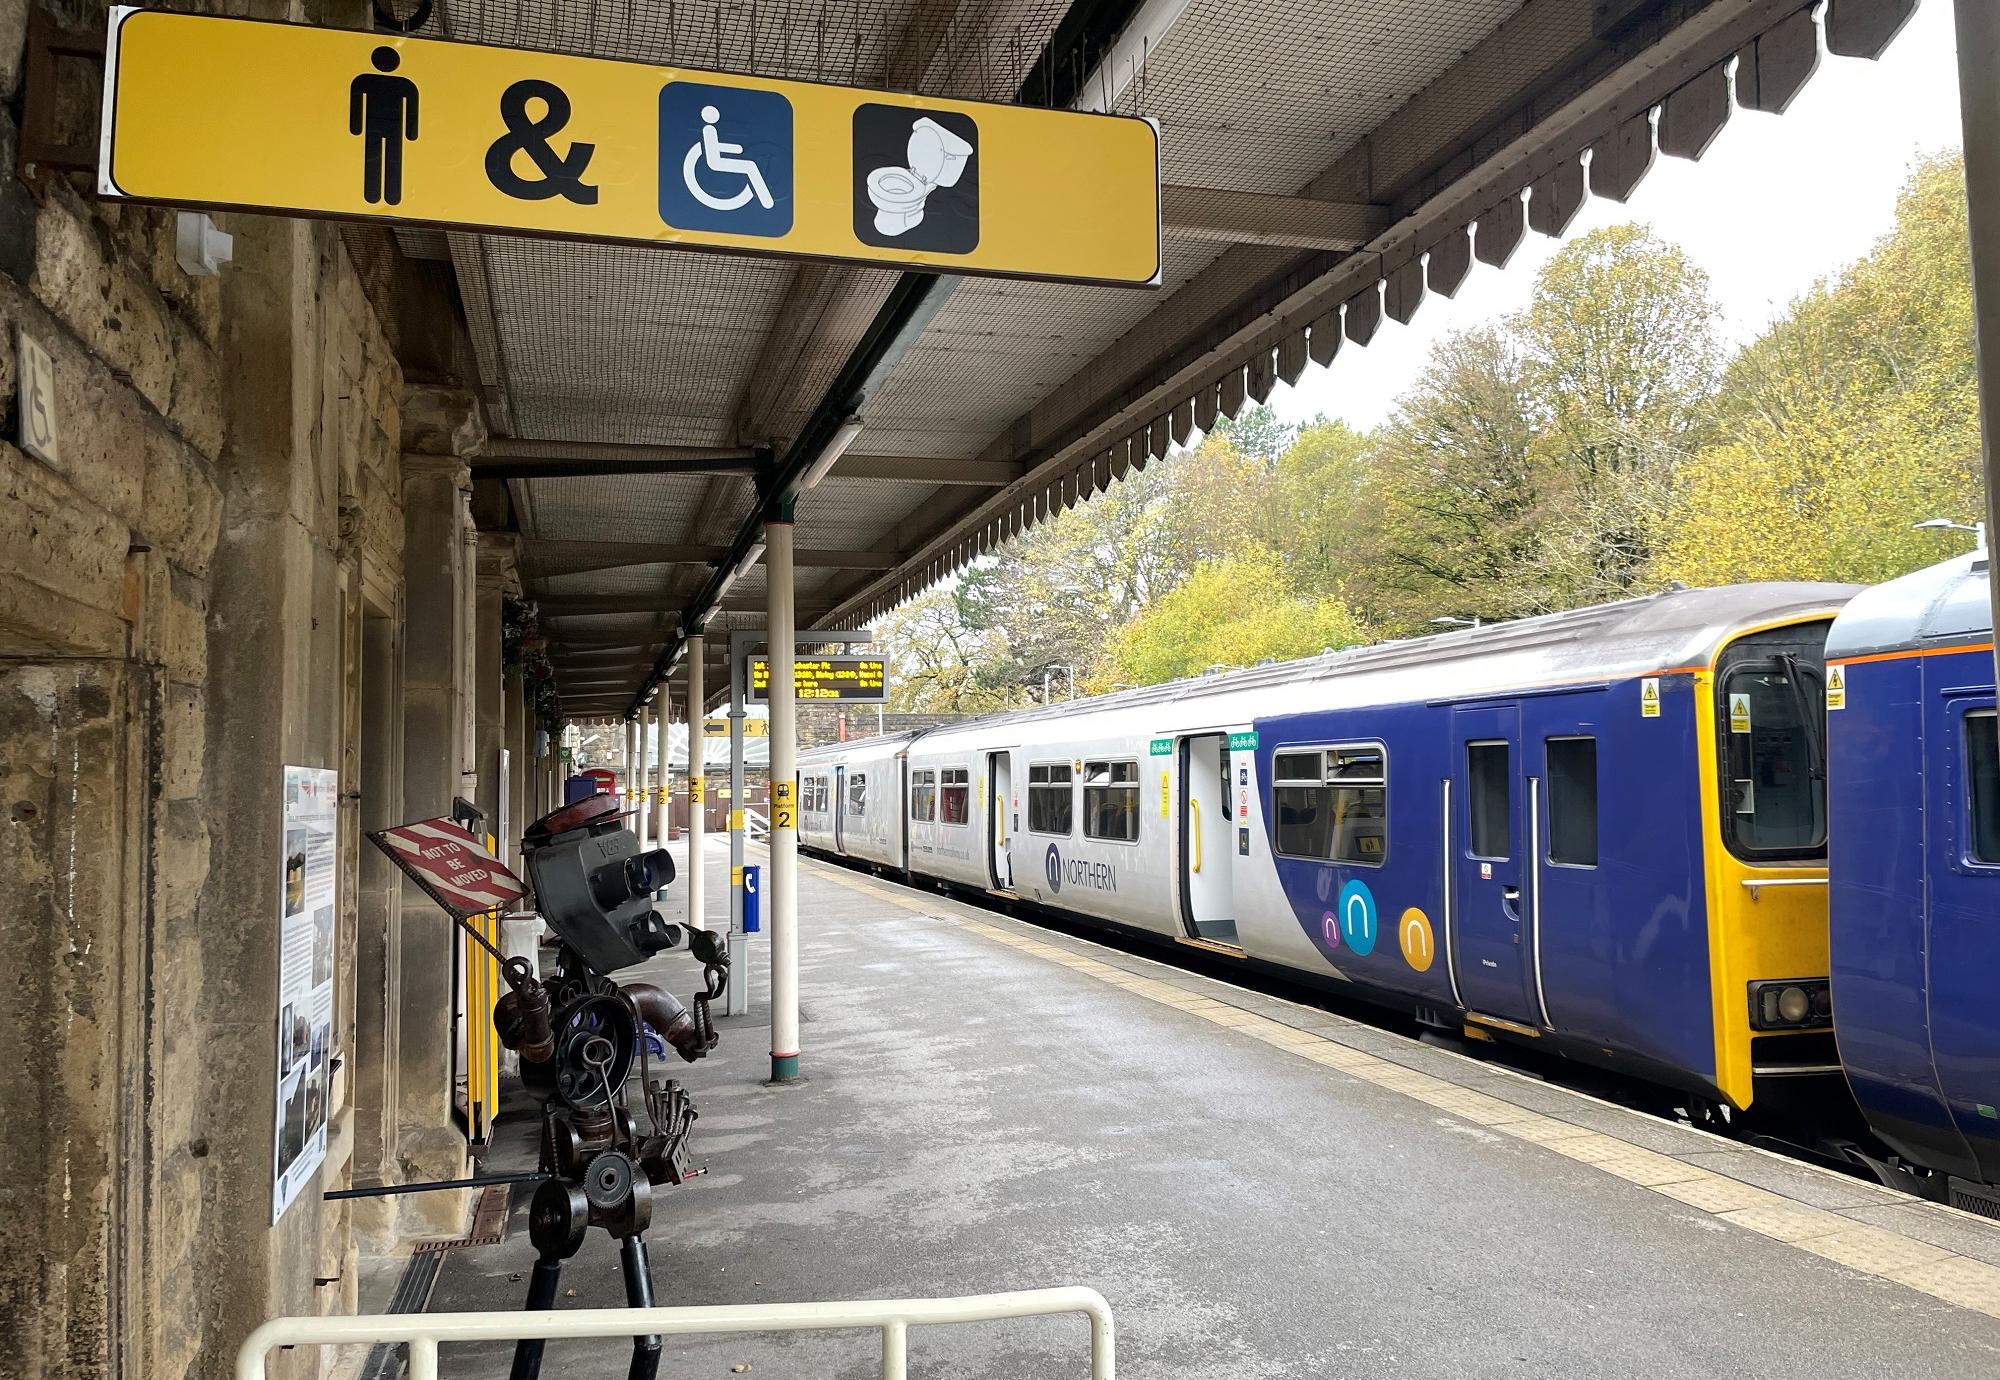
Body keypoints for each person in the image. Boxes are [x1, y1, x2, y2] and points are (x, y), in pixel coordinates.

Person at [350, 47, 420, 206]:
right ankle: (389, 195)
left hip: (375, 124)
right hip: (392, 127)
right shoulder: (404, 83)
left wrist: (356, 127)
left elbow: (356, 102)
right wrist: (411, 132)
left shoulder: (365, 79)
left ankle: (374, 194)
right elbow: (412, 109)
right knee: (392, 158)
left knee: (375, 157)